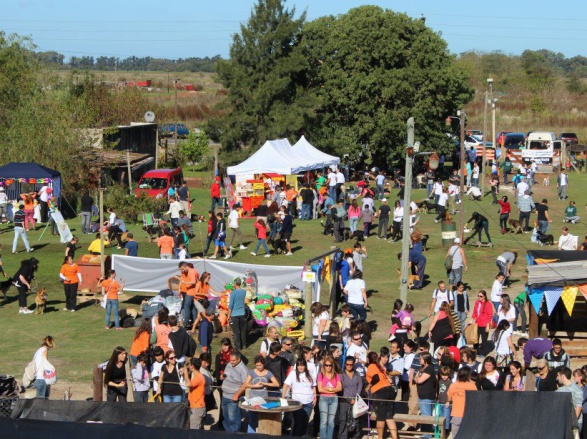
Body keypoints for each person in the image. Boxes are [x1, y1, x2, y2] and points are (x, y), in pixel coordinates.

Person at [366, 351, 398, 439]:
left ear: (368, 359)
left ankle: (380, 437)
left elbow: (376, 378)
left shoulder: (371, 366)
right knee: (389, 416)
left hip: (380, 392)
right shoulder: (379, 366)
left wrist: (368, 386)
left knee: (380, 417)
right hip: (390, 390)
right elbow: (389, 380)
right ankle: (395, 437)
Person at [245, 355, 280, 432]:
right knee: (252, 418)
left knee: (263, 418)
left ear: (263, 364)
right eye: (257, 365)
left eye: (260, 365)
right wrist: (254, 386)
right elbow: (246, 384)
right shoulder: (251, 372)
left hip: (264, 399)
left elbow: (276, 384)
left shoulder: (268, 373)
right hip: (253, 399)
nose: (259, 367)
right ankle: (251, 434)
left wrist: (265, 384)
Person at [283, 358, 317, 437]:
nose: (300, 367)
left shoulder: (309, 373)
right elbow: (285, 385)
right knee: (298, 423)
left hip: (308, 402)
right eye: (298, 365)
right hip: (297, 403)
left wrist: (315, 398)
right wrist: (283, 397)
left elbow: (313, 386)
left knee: (305, 423)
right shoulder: (293, 373)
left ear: (305, 366)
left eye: (302, 365)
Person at [446, 366, 477, 437]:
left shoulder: (453, 385)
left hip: (456, 414)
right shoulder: (472, 386)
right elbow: (475, 400)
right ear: (468, 376)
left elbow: (449, 399)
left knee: (456, 435)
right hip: (469, 414)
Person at [221, 351, 248, 432]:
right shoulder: (229, 364)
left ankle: (234, 434)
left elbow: (245, 385)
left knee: (233, 419)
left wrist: (236, 395)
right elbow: (227, 374)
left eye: (233, 360)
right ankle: (227, 433)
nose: (231, 362)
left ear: (239, 359)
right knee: (226, 417)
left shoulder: (243, 369)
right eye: (230, 360)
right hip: (224, 395)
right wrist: (223, 376)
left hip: (232, 398)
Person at [317, 355, 342, 439]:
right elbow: (320, 389)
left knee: (331, 421)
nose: (328, 367)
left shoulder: (336, 375)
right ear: (324, 366)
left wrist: (329, 389)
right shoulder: (321, 375)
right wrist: (334, 390)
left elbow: (340, 388)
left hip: (334, 399)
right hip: (323, 399)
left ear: (332, 366)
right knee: (323, 421)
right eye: (326, 365)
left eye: (330, 365)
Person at [338, 356, 364, 439]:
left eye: (351, 364)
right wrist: (349, 399)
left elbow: (360, 386)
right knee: (343, 419)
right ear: (345, 364)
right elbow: (341, 389)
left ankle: (355, 435)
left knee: (356, 419)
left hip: (355, 399)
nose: (349, 366)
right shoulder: (341, 375)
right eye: (347, 364)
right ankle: (343, 436)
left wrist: (356, 398)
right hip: (344, 400)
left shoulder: (357, 374)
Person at [414, 352, 437, 438]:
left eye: (420, 358)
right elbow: (416, 378)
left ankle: (427, 435)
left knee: (426, 415)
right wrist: (417, 378)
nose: (419, 360)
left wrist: (417, 378)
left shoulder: (429, 369)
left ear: (425, 359)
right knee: (424, 415)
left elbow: (419, 380)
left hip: (426, 396)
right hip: (422, 395)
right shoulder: (423, 368)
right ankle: (424, 433)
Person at [184, 357, 207, 429]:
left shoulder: (198, 377)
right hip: (196, 406)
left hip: (197, 407)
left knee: (194, 430)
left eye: (189, 365)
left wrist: (185, 372)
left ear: (192, 367)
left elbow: (188, 384)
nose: (188, 366)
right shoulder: (197, 376)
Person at [228, 278, 247, 350]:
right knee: (243, 330)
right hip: (242, 313)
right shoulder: (243, 292)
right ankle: (244, 344)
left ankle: (238, 346)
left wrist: (229, 316)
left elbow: (231, 305)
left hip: (235, 314)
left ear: (235, 284)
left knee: (236, 331)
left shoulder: (233, 293)